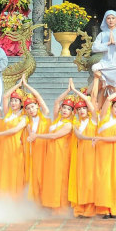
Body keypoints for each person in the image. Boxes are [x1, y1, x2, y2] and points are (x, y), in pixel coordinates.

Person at [32, 79, 76, 211]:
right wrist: (68, 91)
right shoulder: (57, 119)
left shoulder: (69, 124)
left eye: (68, 109)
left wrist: (37, 136)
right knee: (50, 178)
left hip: (61, 154)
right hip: (50, 153)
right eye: (64, 108)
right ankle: (50, 204)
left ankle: (60, 206)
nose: (65, 110)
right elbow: (56, 102)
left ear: (72, 112)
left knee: (60, 179)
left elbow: (54, 136)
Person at [0, 75, 28, 197]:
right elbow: (4, 96)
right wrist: (18, 85)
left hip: (15, 148)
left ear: (21, 103)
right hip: (3, 147)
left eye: (16, 101)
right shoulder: (7, 114)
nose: (13, 103)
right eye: (12, 100)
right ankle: (2, 199)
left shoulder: (24, 117)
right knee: (3, 172)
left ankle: (15, 200)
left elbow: (15, 130)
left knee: (13, 172)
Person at [90, 87, 116, 218]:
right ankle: (104, 209)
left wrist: (99, 138)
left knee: (114, 179)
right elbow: (109, 99)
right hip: (102, 152)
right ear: (112, 107)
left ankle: (114, 209)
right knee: (103, 179)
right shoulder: (104, 117)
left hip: (114, 152)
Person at [68, 86, 97, 218]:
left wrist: (75, 91)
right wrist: (89, 138)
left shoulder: (94, 120)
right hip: (80, 154)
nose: (81, 111)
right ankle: (79, 209)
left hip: (92, 154)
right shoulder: (76, 123)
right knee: (80, 179)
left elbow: (91, 104)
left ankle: (90, 209)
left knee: (90, 180)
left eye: (83, 108)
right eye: (79, 109)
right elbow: (78, 136)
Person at [22, 76, 51, 204]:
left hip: (47, 148)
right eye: (28, 108)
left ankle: (46, 201)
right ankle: (38, 202)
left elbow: (38, 96)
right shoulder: (28, 122)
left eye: (33, 107)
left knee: (47, 175)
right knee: (37, 176)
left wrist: (27, 86)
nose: (31, 110)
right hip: (36, 151)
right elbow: (30, 137)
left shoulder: (44, 115)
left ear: (37, 106)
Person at [92, 10, 116, 93]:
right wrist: (107, 43)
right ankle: (104, 81)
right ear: (105, 20)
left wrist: (115, 43)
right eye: (108, 18)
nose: (111, 20)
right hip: (106, 62)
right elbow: (94, 48)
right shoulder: (102, 34)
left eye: (113, 18)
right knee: (94, 67)